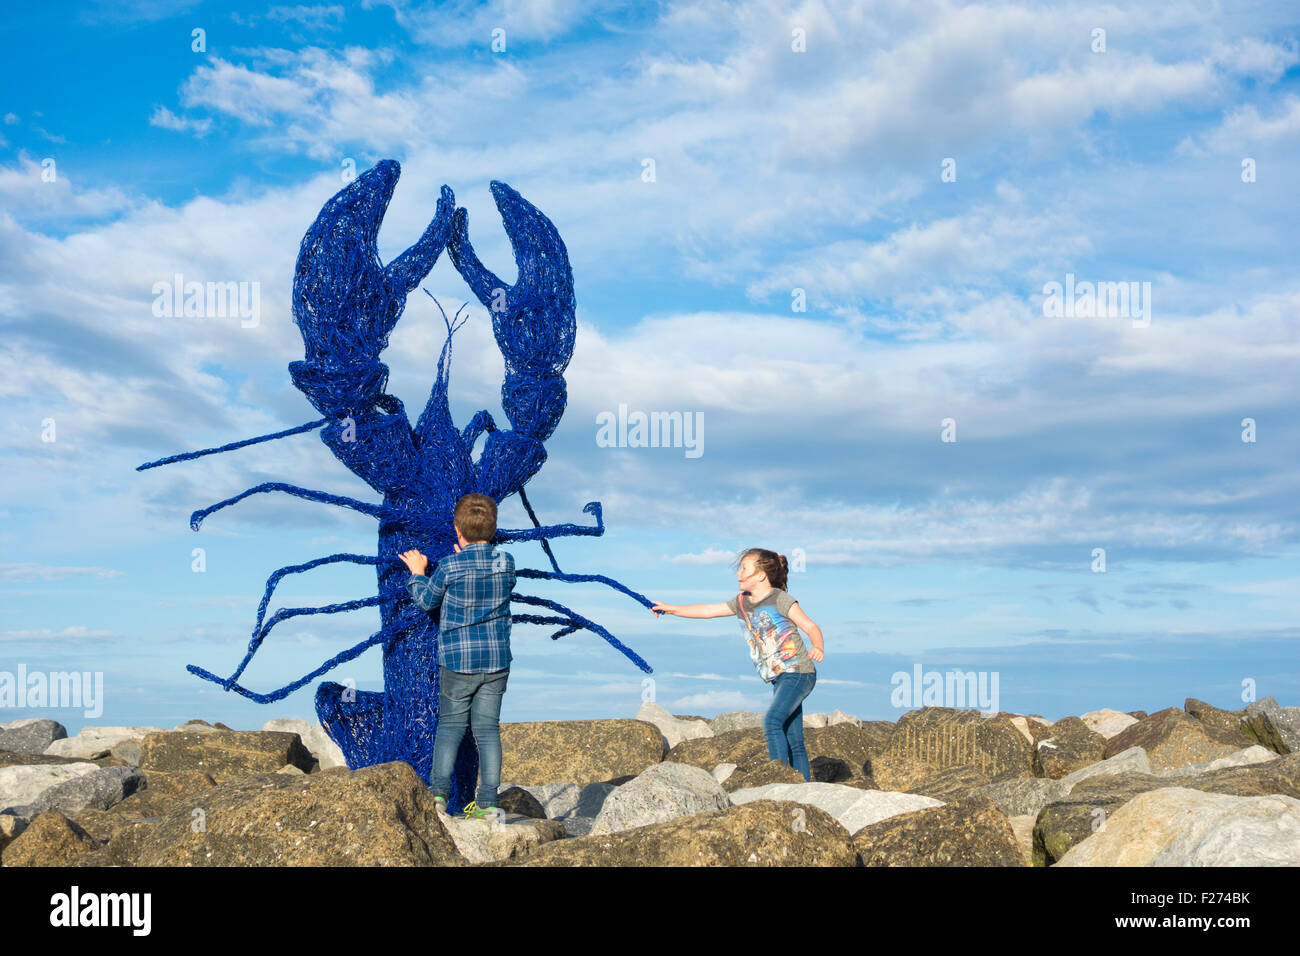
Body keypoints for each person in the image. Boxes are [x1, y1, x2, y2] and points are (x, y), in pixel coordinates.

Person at [651, 549, 825, 780]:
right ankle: (801, 787)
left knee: (772, 721)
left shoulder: (780, 599)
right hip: (780, 677)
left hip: (799, 672)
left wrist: (818, 646)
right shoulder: (742, 603)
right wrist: (672, 609)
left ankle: (778, 778)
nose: (738, 573)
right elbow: (708, 610)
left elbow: (811, 626)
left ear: (761, 575)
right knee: (794, 738)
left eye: (744, 568)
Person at [399, 492, 515, 820]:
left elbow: (426, 602)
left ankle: (437, 797)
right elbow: (488, 573)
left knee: (450, 727)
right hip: (495, 661)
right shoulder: (506, 562)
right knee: (487, 731)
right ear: (493, 529)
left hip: (457, 661)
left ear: (456, 530)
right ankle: (488, 804)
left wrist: (417, 573)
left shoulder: (450, 566)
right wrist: (470, 556)